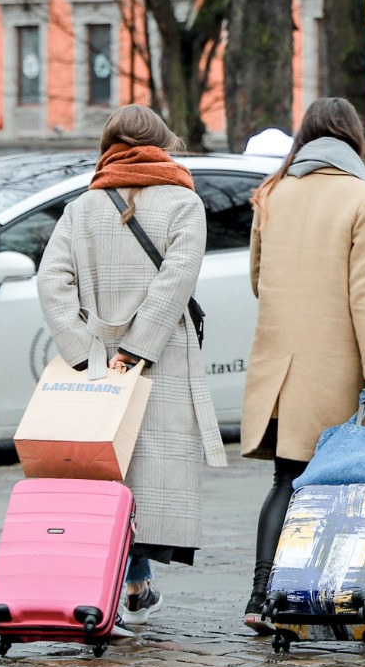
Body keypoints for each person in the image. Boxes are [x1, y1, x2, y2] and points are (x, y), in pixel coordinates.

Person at [240, 98, 365, 634]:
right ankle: (348, 587)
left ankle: (262, 598)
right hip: (338, 362)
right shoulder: (363, 198)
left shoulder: (273, 192)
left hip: (281, 362)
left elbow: (258, 280)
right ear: (354, 139)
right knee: (352, 483)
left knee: (288, 479)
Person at [35, 104, 224, 631]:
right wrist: (139, 348)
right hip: (158, 357)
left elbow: (51, 280)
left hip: (97, 360)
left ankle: (130, 585)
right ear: (162, 141)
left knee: (106, 474)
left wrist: (80, 348)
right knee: (144, 475)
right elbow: (176, 280)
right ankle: (120, 592)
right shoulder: (184, 201)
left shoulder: (83, 206)